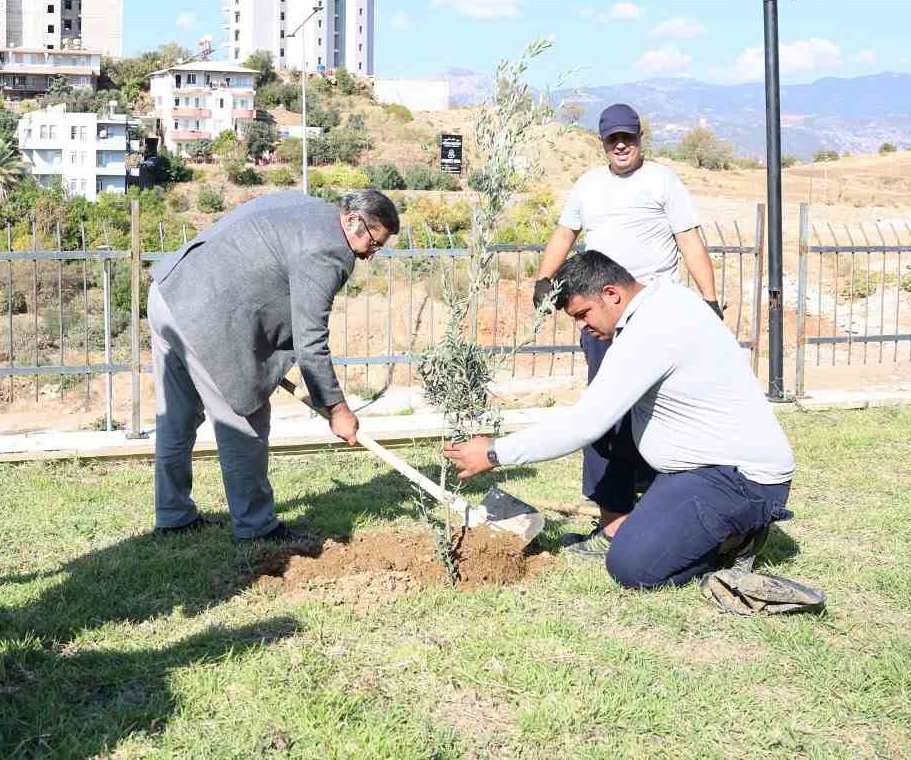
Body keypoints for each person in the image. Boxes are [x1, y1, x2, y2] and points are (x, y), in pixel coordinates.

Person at [444, 250, 795, 589]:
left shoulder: (653, 329)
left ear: (611, 293)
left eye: (583, 314)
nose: (583, 327)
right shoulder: (662, 302)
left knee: (632, 566)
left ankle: (736, 537)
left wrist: (494, 453)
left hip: (738, 478)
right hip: (698, 469)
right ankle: (696, 526)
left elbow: (585, 423)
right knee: (635, 527)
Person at [149, 189, 397, 540]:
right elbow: (312, 340)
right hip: (207, 318)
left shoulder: (308, 206)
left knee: (177, 416)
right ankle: (257, 528)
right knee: (245, 422)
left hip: (170, 293)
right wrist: (338, 409)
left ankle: (173, 516)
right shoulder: (330, 250)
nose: (372, 255)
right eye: (374, 243)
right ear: (354, 220)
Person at [533, 102, 723, 558]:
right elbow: (564, 234)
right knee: (605, 416)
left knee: (667, 414)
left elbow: (689, 239)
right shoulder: (588, 185)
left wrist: (711, 300)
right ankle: (613, 524)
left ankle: (672, 517)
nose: (621, 145)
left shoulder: (663, 181)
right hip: (603, 322)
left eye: (629, 137)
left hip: (657, 321)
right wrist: (544, 277)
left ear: (641, 138)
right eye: (612, 139)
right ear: (602, 143)